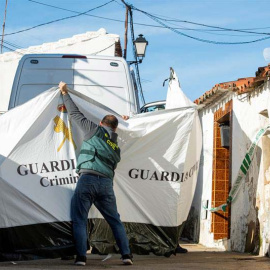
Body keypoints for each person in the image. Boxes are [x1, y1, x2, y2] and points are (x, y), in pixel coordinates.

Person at [58, 82, 132, 266]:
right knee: (115, 221)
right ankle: (127, 256)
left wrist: (65, 93)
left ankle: (81, 258)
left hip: (88, 180)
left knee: (80, 219)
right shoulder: (116, 147)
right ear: (115, 128)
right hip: (106, 185)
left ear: (101, 123)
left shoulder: (94, 131)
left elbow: (75, 114)